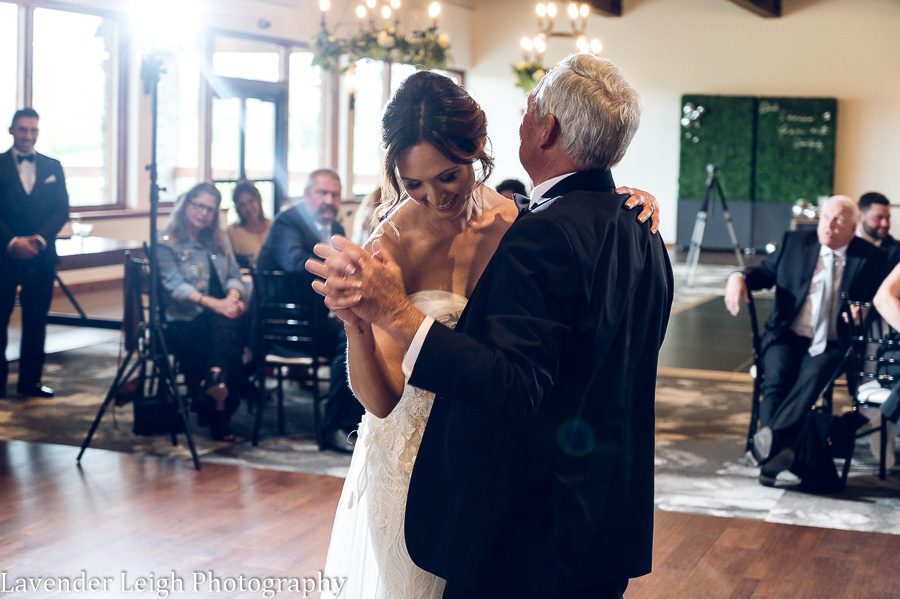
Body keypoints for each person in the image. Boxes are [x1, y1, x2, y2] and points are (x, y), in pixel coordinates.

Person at [309, 58, 669, 599]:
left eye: (448, 175)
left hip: (510, 494)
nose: (435, 197)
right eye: (414, 184)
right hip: (422, 474)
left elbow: (531, 366)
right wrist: (357, 324)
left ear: (477, 151)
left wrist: (621, 202)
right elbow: (380, 400)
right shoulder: (392, 246)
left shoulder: (530, 223)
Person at [725, 195, 886, 485]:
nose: (829, 226)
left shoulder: (870, 257)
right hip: (787, 335)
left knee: (811, 378)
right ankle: (789, 455)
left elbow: (878, 301)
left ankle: (771, 446)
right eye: (825, 218)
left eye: (838, 220)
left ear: (853, 227)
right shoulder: (795, 243)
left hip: (833, 342)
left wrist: (864, 310)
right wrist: (738, 276)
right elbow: (762, 274)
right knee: (776, 380)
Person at [256, 169, 362, 453]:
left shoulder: (336, 230)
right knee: (352, 339)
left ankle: (361, 420)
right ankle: (335, 428)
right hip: (286, 326)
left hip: (317, 320)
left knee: (365, 331)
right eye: (322, 193)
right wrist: (340, 271)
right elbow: (295, 263)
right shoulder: (287, 223)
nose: (329, 200)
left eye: (335, 194)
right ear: (306, 195)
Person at [158, 182, 248, 441]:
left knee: (232, 327)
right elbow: (176, 287)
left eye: (210, 209)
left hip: (221, 315)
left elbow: (234, 275)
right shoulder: (167, 243)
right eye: (199, 206)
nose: (204, 213)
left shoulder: (218, 240)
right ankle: (220, 407)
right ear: (186, 205)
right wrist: (217, 304)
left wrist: (232, 298)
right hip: (184, 320)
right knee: (220, 333)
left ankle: (213, 389)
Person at [0, 108, 69, 399]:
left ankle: (30, 382)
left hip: (41, 256)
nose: (28, 136)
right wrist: (12, 241)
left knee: (36, 321)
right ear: (12, 130)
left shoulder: (53, 165)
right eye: (23, 129)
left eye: (33, 130)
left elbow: (61, 209)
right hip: (4, 255)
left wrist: (39, 240)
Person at [226, 181, 271, 268]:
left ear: (258, 200)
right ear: (237, 208)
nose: (248, 208)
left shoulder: (273, 226)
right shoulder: (232, 232)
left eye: (251, 201)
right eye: (242, 204)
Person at [857, 191, 897, 263]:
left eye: (887, 218)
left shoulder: (896, 249)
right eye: (878, 217)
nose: (885, 224)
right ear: (860, 216)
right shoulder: (845, 244)